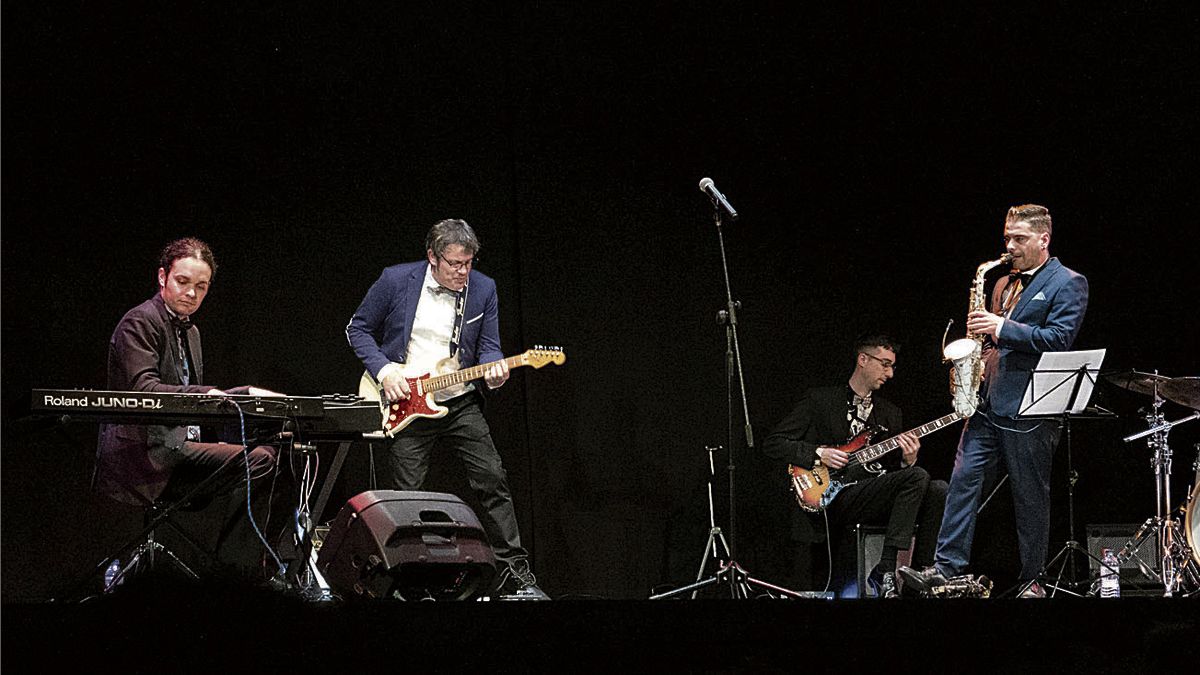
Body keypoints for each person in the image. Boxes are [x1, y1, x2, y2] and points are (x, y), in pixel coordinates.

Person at [345, 218, 545, 598]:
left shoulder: (483, 288)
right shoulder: (395, 280)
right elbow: (357, 328)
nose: (462, 272)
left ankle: (514, 574)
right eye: (454, 264)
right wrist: (385, 371)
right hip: (405, 402)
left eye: (468, 263)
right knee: (407, 497)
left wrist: (496, 367)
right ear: (432, 257)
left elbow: (488, 346)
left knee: (493, 479)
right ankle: (408, 582)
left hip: (458, 399)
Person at [900, 204, 1089, 598]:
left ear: (1043, 239)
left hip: (1030, 411)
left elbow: (1057, 338)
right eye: (1007, 237)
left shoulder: (1069, 282)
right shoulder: (1001, 282)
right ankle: (946, 568)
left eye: (1019, 238)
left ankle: (1032, 580)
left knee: (1029, 499)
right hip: (986, 405)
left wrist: (1002, 326)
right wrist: (973, 362)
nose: (1010, 246)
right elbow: (991, 343)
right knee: (962, 484)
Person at [95, 237, 282, 581]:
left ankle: (251, 565)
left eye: (201, 286)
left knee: (274, 451)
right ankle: (234, 573)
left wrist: (246, 394)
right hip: (145, 453)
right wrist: (208, 394)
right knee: (260, 460)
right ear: (162, 277)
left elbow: (193, 393)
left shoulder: (191, 332)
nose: (192, 294)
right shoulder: (140, 322)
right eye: (183, 282)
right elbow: (144, 390)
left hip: (176, 448)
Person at [762, 334, 947, 597]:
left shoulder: (890, 413)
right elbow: (774, 444)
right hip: (834, 497)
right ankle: (885, 570)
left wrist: (908, 461)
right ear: (863, 359)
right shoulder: (820, 400)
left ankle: (919, 577)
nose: (890, 373)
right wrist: (819, 453)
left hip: (871, 496)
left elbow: (897, 479)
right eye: (885, 364)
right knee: (918, 477)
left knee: (938, 488)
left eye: (893, 366)